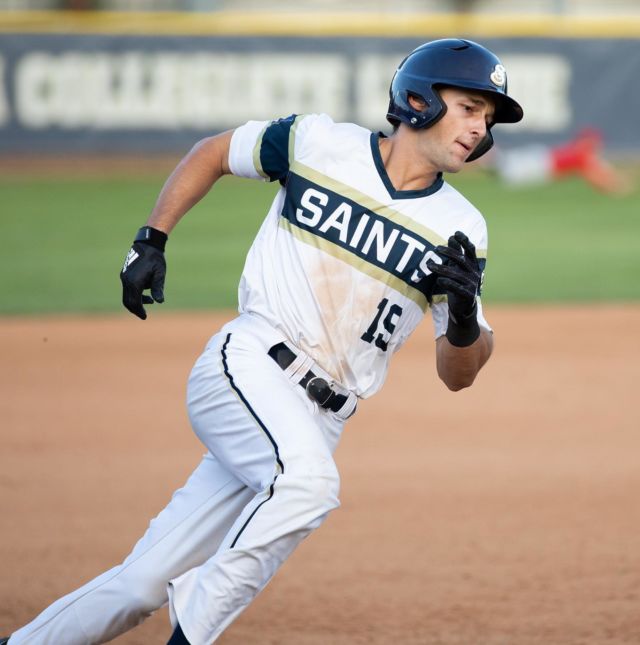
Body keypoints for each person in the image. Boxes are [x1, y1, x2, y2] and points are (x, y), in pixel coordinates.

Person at [3, 38, 523, 645]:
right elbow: (215, 152)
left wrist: (462, 319)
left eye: (486, 119)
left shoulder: (462, 227)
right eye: (468, 107)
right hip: (250, 362)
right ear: (418, 99)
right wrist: (152, 238)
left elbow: (457, 372)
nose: (478, 128)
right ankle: (192, 632)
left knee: (140, 584)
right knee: (308, 484)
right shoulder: (316, 143)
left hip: (321, 416)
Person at [489, 126, 632, 194]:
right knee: (503, 168)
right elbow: (597, 178)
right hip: (539, 164)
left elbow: (602, 172)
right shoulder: (582, 155)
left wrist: (618, 181)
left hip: (540, 163)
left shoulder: (583, 154)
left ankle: (487, 158)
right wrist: (617, 187)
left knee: (501, 166)